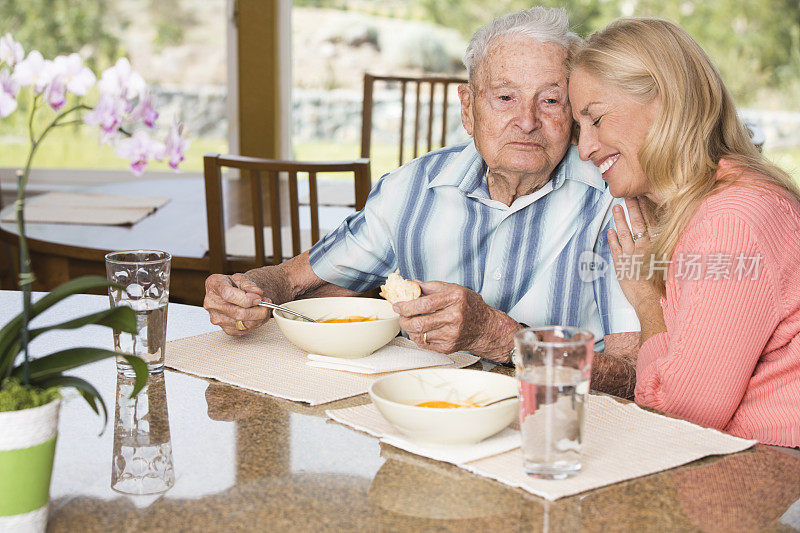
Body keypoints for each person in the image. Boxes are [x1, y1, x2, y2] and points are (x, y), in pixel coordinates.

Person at [204, 7, 640, 395]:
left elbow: (631, 375)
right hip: (421, 416)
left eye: (550, 100)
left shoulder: (615, 203)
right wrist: (249, 291)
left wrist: (499, 336)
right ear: (468, 107)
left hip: (554, 432)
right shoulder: (412, 187)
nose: (526, 121)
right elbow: (299, 281)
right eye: (505, 97)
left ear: (575, 112)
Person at [569, 18, 800, 445]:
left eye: (596, 120)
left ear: (663, 102)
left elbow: (681, 414)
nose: (584, 149)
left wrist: (645, 298)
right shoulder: (705, 206)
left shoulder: (729, 220)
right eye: (578, 129)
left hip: (775, 473)